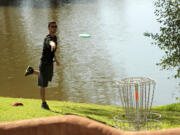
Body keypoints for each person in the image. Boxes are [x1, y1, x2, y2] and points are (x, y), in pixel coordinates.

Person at [24, 21, 60, 110]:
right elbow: (50, 43)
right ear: (48, 28)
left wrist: (56, 60)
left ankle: (31, 71)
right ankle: (43, 103)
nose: (54, 28)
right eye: (52, 26)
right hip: (44, 63)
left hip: (50, 63)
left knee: (47, 77)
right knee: (43, 84)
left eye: (55, 26)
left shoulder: (55, 37)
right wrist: (52, 44)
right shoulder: (47, 38)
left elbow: (52, 51)